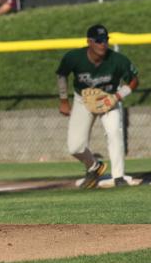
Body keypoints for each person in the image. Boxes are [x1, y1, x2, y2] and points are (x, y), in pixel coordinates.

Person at [56, 24, 139, 188]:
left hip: (108, 100)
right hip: (83, 101)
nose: (103, 44)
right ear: (89, 42)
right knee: (75, 147)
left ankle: (118, 176)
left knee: (114, 132)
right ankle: (94, 166)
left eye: (106, 40)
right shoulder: (75, 57)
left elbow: (134, 81)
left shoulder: (116, 60)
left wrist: (117, 97)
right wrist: (64, 100)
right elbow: (62, 74)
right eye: (99, 40)